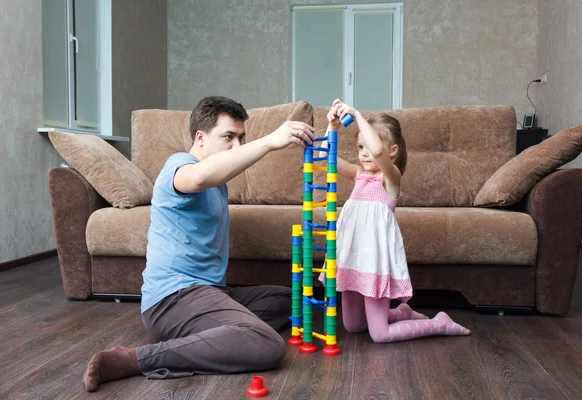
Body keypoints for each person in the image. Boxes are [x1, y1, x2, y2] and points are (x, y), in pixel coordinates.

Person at [83, 96, 316, 392]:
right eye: (228, 137)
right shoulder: (179, 165)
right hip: (172, 300)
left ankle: (215, 332)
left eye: (241, 138)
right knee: (267, 345)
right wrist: (271, 141)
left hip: (211, 291)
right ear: (200, 138)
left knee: (291, 300)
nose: (237, 146)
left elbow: (213, 175)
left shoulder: (218, 182)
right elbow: (199, 176)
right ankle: (133, 359)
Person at [320, 99, 470, 343]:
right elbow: (324, 156)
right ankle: (402, 312)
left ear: (393, 151)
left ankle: (439, 323)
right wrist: (333, 127)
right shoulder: (359, 175)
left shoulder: (390, 178)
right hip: (350, 256)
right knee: (353, 326)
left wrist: (357, 114)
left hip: (373, 261)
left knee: (379, 334)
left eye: (368, 146)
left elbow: (377, 152)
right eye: (360, 147)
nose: (365, 153)